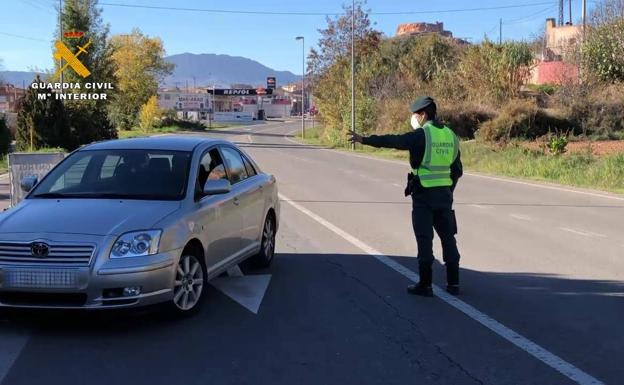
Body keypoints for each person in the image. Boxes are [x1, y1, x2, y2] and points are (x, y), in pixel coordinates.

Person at [348, 96, 463, 297]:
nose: (414, 119)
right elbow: (457, 170)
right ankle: (454, 283)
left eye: (415, 115)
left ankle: (425, 285)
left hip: (424, 195)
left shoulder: (421, 135)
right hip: (444, 196)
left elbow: (392, 140)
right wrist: (448, 191)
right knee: (448, 237)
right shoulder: (451, 136)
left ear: (424, 114)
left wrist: (364, 139)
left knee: (424, 239)